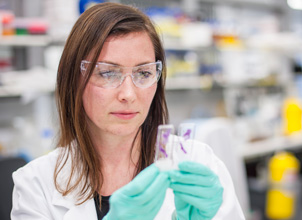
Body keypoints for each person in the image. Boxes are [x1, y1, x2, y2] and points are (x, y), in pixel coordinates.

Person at [11, 2, 245, 220]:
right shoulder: (35, 183)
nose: (128, 94)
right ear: (74, 79)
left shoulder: (198, 163)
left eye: (143, 73)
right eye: (107, 73)